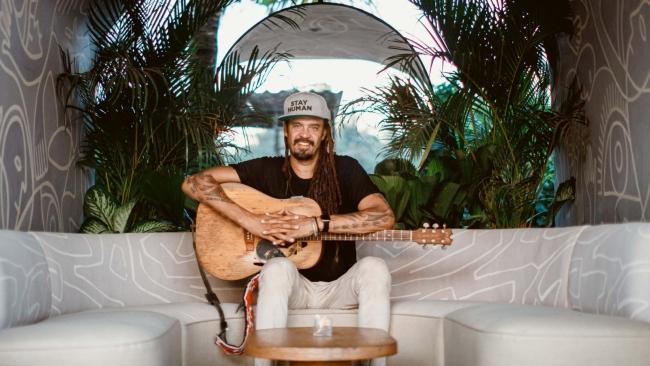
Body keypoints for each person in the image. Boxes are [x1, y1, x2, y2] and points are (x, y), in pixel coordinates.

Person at [182, 91, 395, 366]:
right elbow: (194, 182)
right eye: (297, 125)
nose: (304, 134)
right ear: (286, 131)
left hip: (341, 288)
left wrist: (316, 224)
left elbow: (383, 216)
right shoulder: (265, 170)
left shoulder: (346, 169)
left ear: (325, 134)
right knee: (277, 267)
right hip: (294, 289)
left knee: (375, 266)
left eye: (313, 127)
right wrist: (249, 220)